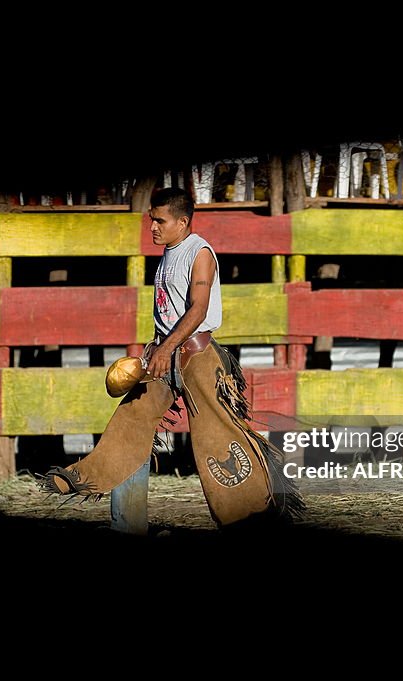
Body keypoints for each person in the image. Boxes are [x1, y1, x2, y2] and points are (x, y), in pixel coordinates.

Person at [37, 187, 303, 526]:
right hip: (164, 358)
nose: (153, 228)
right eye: (151, 220)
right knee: (130, 425)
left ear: (183, 221)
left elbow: (198, 310)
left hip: (198, 358)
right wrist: (157, 349)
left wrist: (165, 348)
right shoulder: (168, 254)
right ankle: (116, 513)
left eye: (160, 221)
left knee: (220, 442)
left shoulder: (199, 253)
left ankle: (254, 520)